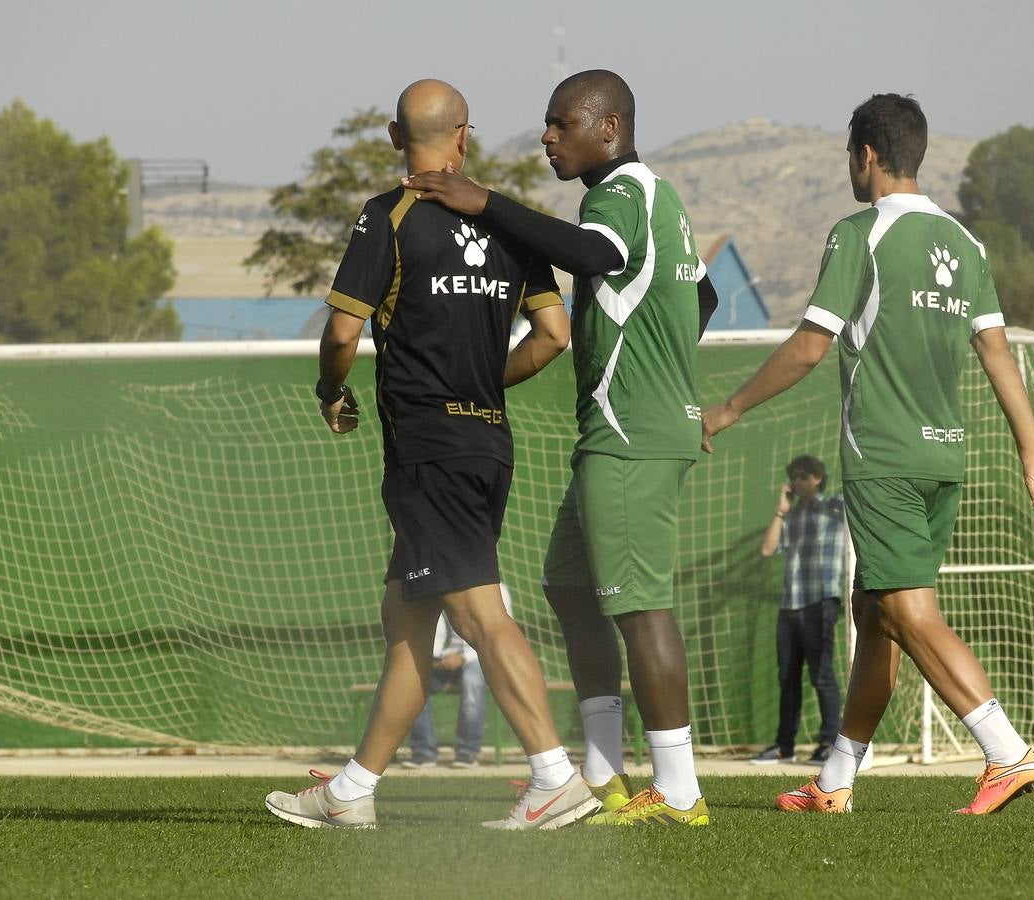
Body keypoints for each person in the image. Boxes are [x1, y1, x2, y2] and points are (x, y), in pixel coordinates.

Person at [701, 93, 1034, 817]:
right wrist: (1033, 452)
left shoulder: (859, 234)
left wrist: (727, 407)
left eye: (849, 155)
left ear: (865, 155)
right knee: (873, 613)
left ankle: (1006, 751)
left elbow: (810, 345)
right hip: (943, 460)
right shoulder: (965, 244)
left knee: (904, 610)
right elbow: (995, 350)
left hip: (884, 458)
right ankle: (834, 781)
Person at [263, 78, 597, 831]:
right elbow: (551, 336)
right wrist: (484, 381)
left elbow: (343, 334)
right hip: (487, 441)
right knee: (408, 616)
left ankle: (553, 776)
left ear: (391, 136)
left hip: (427, 448)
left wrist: (329, 390)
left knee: (479, 613)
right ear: (465, 138)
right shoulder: (503, 222)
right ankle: (351, 791)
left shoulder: (389, 215)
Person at [408, 69, 718, 826]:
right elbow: (700, 298)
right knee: (570, 588)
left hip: (629, 432)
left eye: (559, 124)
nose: (547, 137)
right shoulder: (661, 197)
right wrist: (665, 373)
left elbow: (593, 256)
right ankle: (603, 773)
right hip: (623, 429)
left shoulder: (617, 195)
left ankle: (678, 792)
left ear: (606, 128)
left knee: (640, 607)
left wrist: (488, 205)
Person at [750, 455, 845, 767]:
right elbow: (767, 549)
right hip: (790, 605)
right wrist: (781, 508)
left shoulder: (835, 507)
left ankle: (830, 743)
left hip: (821, 602)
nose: (797, 482)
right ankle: (784, 746)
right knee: (787, 677)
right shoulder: (790, 516)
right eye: (793, 478)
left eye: (802, 476)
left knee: (822, 674)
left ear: (817, 477)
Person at [402, 583, 511, 768]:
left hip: (481, 656)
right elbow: (439, 630)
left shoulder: (498, 589)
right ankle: (423, 752)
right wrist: (434, 656)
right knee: (414, 681)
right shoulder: (446, 588)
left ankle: (467, 752)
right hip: (450, 656)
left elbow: (499, 636)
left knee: (471, 680)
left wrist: (463, 657)